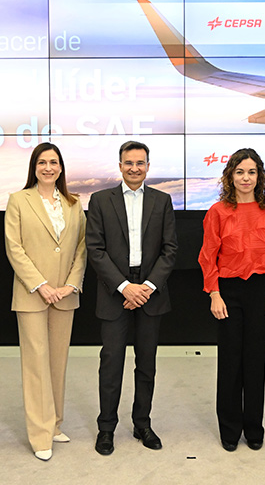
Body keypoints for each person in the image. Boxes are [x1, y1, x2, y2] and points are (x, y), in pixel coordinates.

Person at [86, 140, 177, 455]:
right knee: (111, 363)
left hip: (150, 291)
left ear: (148, 166)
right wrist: (125, 287)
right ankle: (106, 428)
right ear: (120, 165)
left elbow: (170, 250)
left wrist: (147, 287)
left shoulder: (162, 200)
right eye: (129, 163)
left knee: (146, 364)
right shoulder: (100, 200)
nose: (134, 168)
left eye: (140, 163)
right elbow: (95, 250)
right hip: (115, 292)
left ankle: (143, 424)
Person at [198, 148, 265, 451]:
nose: (246, 178)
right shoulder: (218, 211)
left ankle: (254, 427)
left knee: (255, 361)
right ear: (230, 176)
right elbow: (207, 256)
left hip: (262, 292)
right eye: (239, 172)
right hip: (228, 292)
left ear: (259, 175)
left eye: (251, 172)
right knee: (230, 361)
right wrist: (214, 294)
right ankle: (230, 428)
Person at [4, 142, 87, 461]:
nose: (48, 167)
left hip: (64, 295)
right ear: (34, 168)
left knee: (57, 362)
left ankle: (53, 424)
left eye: (54, 162)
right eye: (42, 162)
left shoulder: (73, 202)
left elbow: (81, 249)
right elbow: (14, 248)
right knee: (36, 364)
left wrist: (70, 284)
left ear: (61, 167)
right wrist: (40, 285)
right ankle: (39, 435)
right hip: (32, 295)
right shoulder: (18, 200)